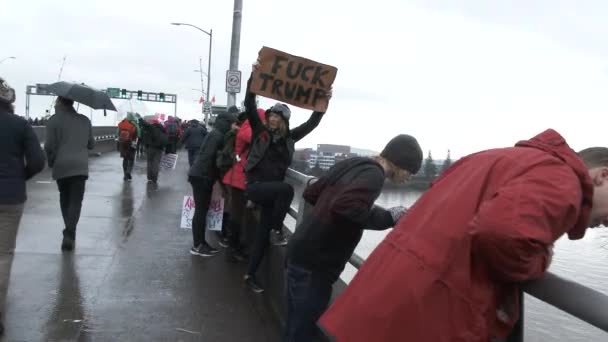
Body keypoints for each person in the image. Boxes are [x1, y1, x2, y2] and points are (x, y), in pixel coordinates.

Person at [319, 129, 608, 342]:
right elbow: (502, 234)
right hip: (419, 318)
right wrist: (540, 257)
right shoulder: (563, 180)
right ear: (603, 176)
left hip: (383, 303)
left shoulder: (499, 158)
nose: (607, 223)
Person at [284, 134, 423, 342]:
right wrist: (389, 217)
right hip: (317, 264)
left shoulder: (354, 163)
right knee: (302, 333)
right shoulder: (374, 175)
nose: (409, 178)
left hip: (300, 251)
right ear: (400, 162)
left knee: (294, 326)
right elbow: (345, 207)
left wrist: (378, 213)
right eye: (410, 171)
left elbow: (312, 193)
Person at [242, 74, 329, 293]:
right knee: (288, 189)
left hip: (272, 195)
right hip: (255, 187)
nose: (272, 119)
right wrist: (253, 78)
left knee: (261, 239)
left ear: (284, 121)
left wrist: (323, 102)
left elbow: (312, 123)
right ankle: (277, 229)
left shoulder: (290, 138)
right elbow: (249, 104)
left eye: (277, 117)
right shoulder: (259, 132)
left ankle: (249, 274)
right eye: (271, 115)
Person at [0, 77, 45, 337]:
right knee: (3, 255)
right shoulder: (20, 125)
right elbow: (38, 161)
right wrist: (20, 177)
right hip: (10, 197)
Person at [44, 96, 95, 251]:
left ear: (60, 102)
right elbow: (91, 144)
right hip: (80, 166)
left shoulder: (53, 121)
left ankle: (69, 230)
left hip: (62, 165)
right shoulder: (85, 120)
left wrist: (51, 160)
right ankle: (70, 233)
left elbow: (49, 146)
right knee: (76, 201)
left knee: (64, 198)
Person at [188, 112, 237, 257]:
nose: (236, 127)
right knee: (201, 212)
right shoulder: (218, 136)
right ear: (228, 123)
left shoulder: (215, 133)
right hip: (202, 176)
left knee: (201, 211)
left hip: (200, 175)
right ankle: (198, 245)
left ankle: (201, 243)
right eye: (235, 124)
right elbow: (213, 158)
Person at [222, 109, 266, 262]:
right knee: (238, 215)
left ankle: (235, 244)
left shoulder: (248, 128)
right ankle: (234, 247)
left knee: (239, 214)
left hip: (241, 179)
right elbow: (256, 138)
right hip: (239, 178)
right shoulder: (248, 129)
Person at [140, 119, 168, 184]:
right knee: (156, 163)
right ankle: (155, 178)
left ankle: (149, 177)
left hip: (150, 148)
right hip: (159, 149)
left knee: (149, 162)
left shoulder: (150, 129)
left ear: (152, 123)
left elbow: (145, 138)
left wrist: (146, 146)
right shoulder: (162, 129)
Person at [116, 113, 141, 181]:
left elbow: (117, 134)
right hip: (131, 143)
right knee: (131, 159)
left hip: (123, 143)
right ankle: (128, 172)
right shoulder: (135, 124)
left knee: (125, 159)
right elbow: (139, 134)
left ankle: (125, 174)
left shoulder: (122, 123)